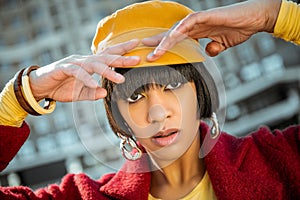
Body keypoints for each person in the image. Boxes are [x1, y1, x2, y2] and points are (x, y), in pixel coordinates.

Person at [0, 1, 299, 200]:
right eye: (134, 95)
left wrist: (275, 16)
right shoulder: (86, 195)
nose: (157, 113)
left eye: (173, 85)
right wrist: (23, 95)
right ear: (116, 112)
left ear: (200, 90)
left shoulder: (279, 158)